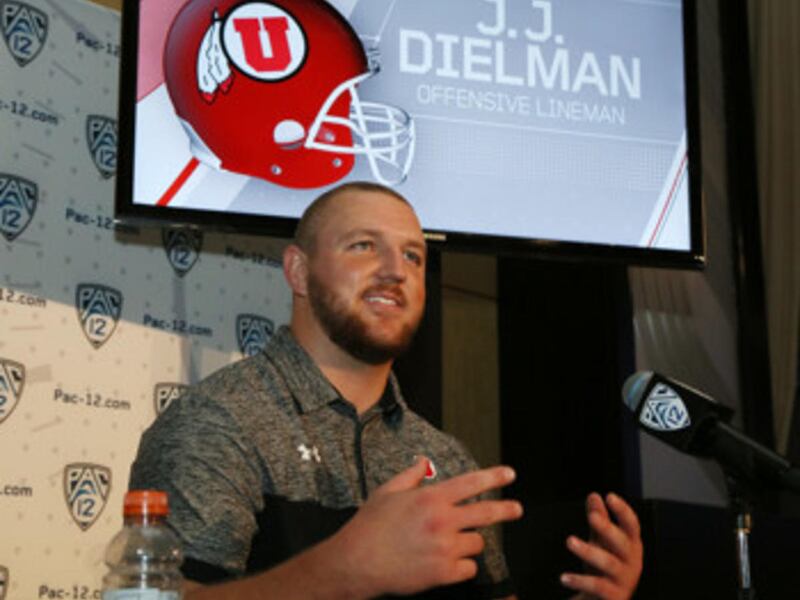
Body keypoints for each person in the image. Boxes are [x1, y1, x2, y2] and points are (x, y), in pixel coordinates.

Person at [129, 182, 643, 599]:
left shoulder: (446, 459)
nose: (396, 270)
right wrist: (341, 571)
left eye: (414, 257)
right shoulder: (216, 423)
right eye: (363, 246)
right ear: (299, 272)